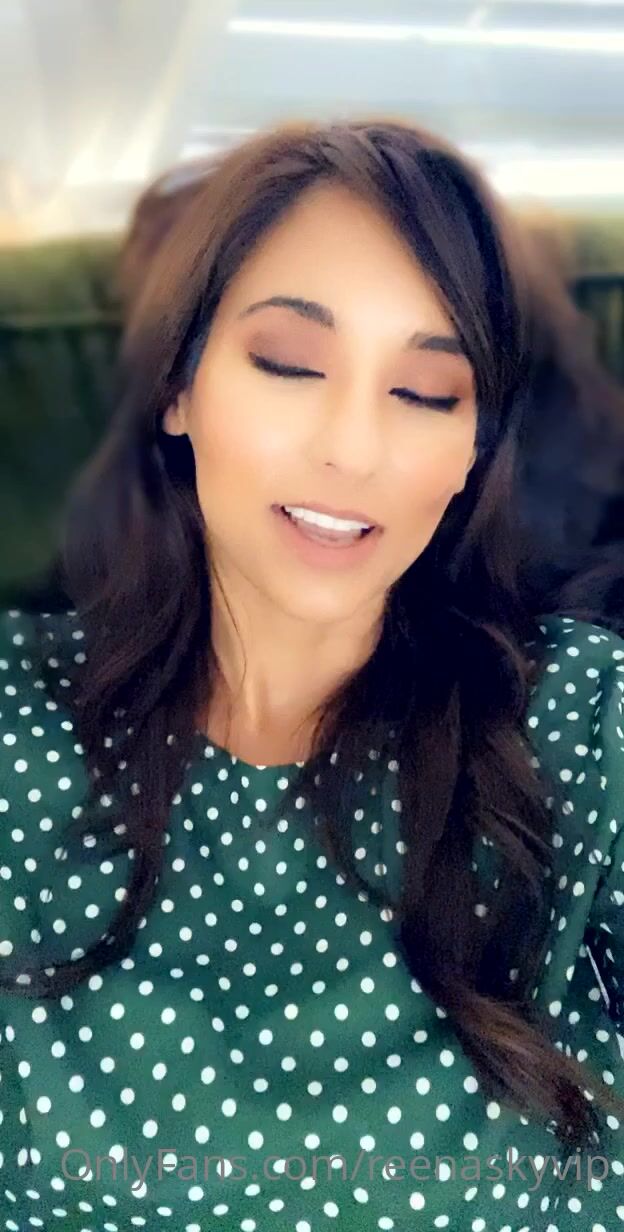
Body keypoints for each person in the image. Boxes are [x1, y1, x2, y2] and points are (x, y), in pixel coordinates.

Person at [1, 117, 623, 1232]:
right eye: (289, 363)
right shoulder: (18, 722)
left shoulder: (587, 723)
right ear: (179, 388)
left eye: (426, 391)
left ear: (472, 450)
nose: (353, 449)